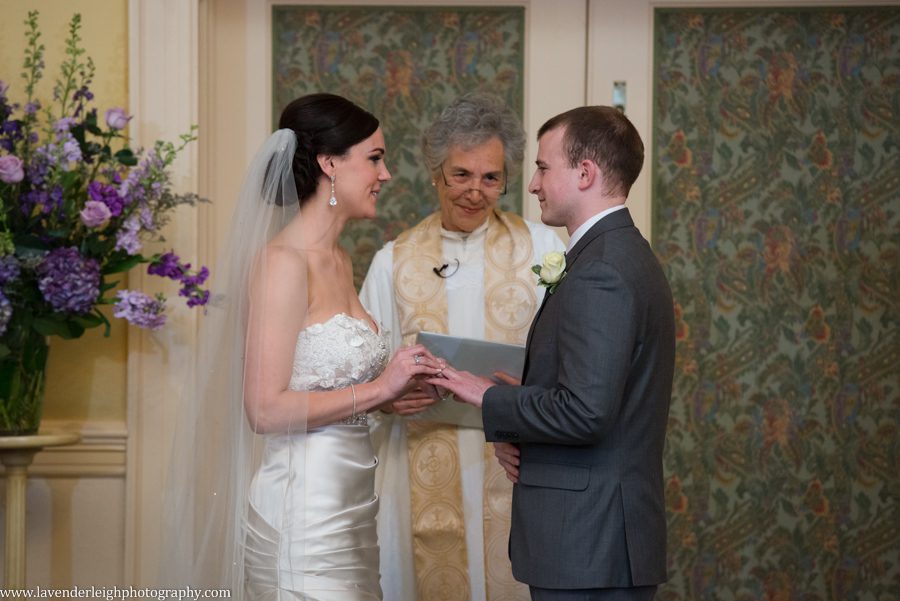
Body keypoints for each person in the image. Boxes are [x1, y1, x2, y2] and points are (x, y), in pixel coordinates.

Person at [161, 93, 442, 600]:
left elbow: (327, 387)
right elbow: (265, 409)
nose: (387, 175)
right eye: (375, 158)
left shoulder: (337, 259)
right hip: (302, 520)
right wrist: (380, 388)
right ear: (330, 163)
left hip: (351, 510)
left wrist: (391, 399)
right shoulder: (283, 262)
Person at [429, 106, 676, 601]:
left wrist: (487, 398)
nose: (535, 184)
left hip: (589, 542)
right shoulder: (613, 254)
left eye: (544, 167)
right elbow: (601, 395)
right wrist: (524, 405)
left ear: (585, 173)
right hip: (596, 542)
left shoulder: (601, 269)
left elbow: (586, 413)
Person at [359, 92, 565, 601]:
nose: (476, 191)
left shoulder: (544, 249)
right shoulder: (393, 261)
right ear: (436, 172)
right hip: (422, 460)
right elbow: (361, 376)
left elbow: (572, 359)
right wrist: (387, 399)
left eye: (491, 177)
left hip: (516, 460)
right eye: (461, 175)